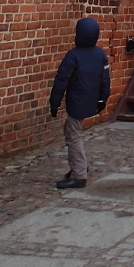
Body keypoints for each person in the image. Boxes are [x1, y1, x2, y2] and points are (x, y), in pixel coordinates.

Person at [50, 17, 111, 189]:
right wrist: (102, 99)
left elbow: (62, 80)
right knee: (71, 131)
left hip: (77, 102)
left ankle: (79, 174)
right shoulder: (100, 54)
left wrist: (54, 102)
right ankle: (79, 164)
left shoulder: (74, 55)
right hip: (91, 101)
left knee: (73, 135)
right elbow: (105, 80)